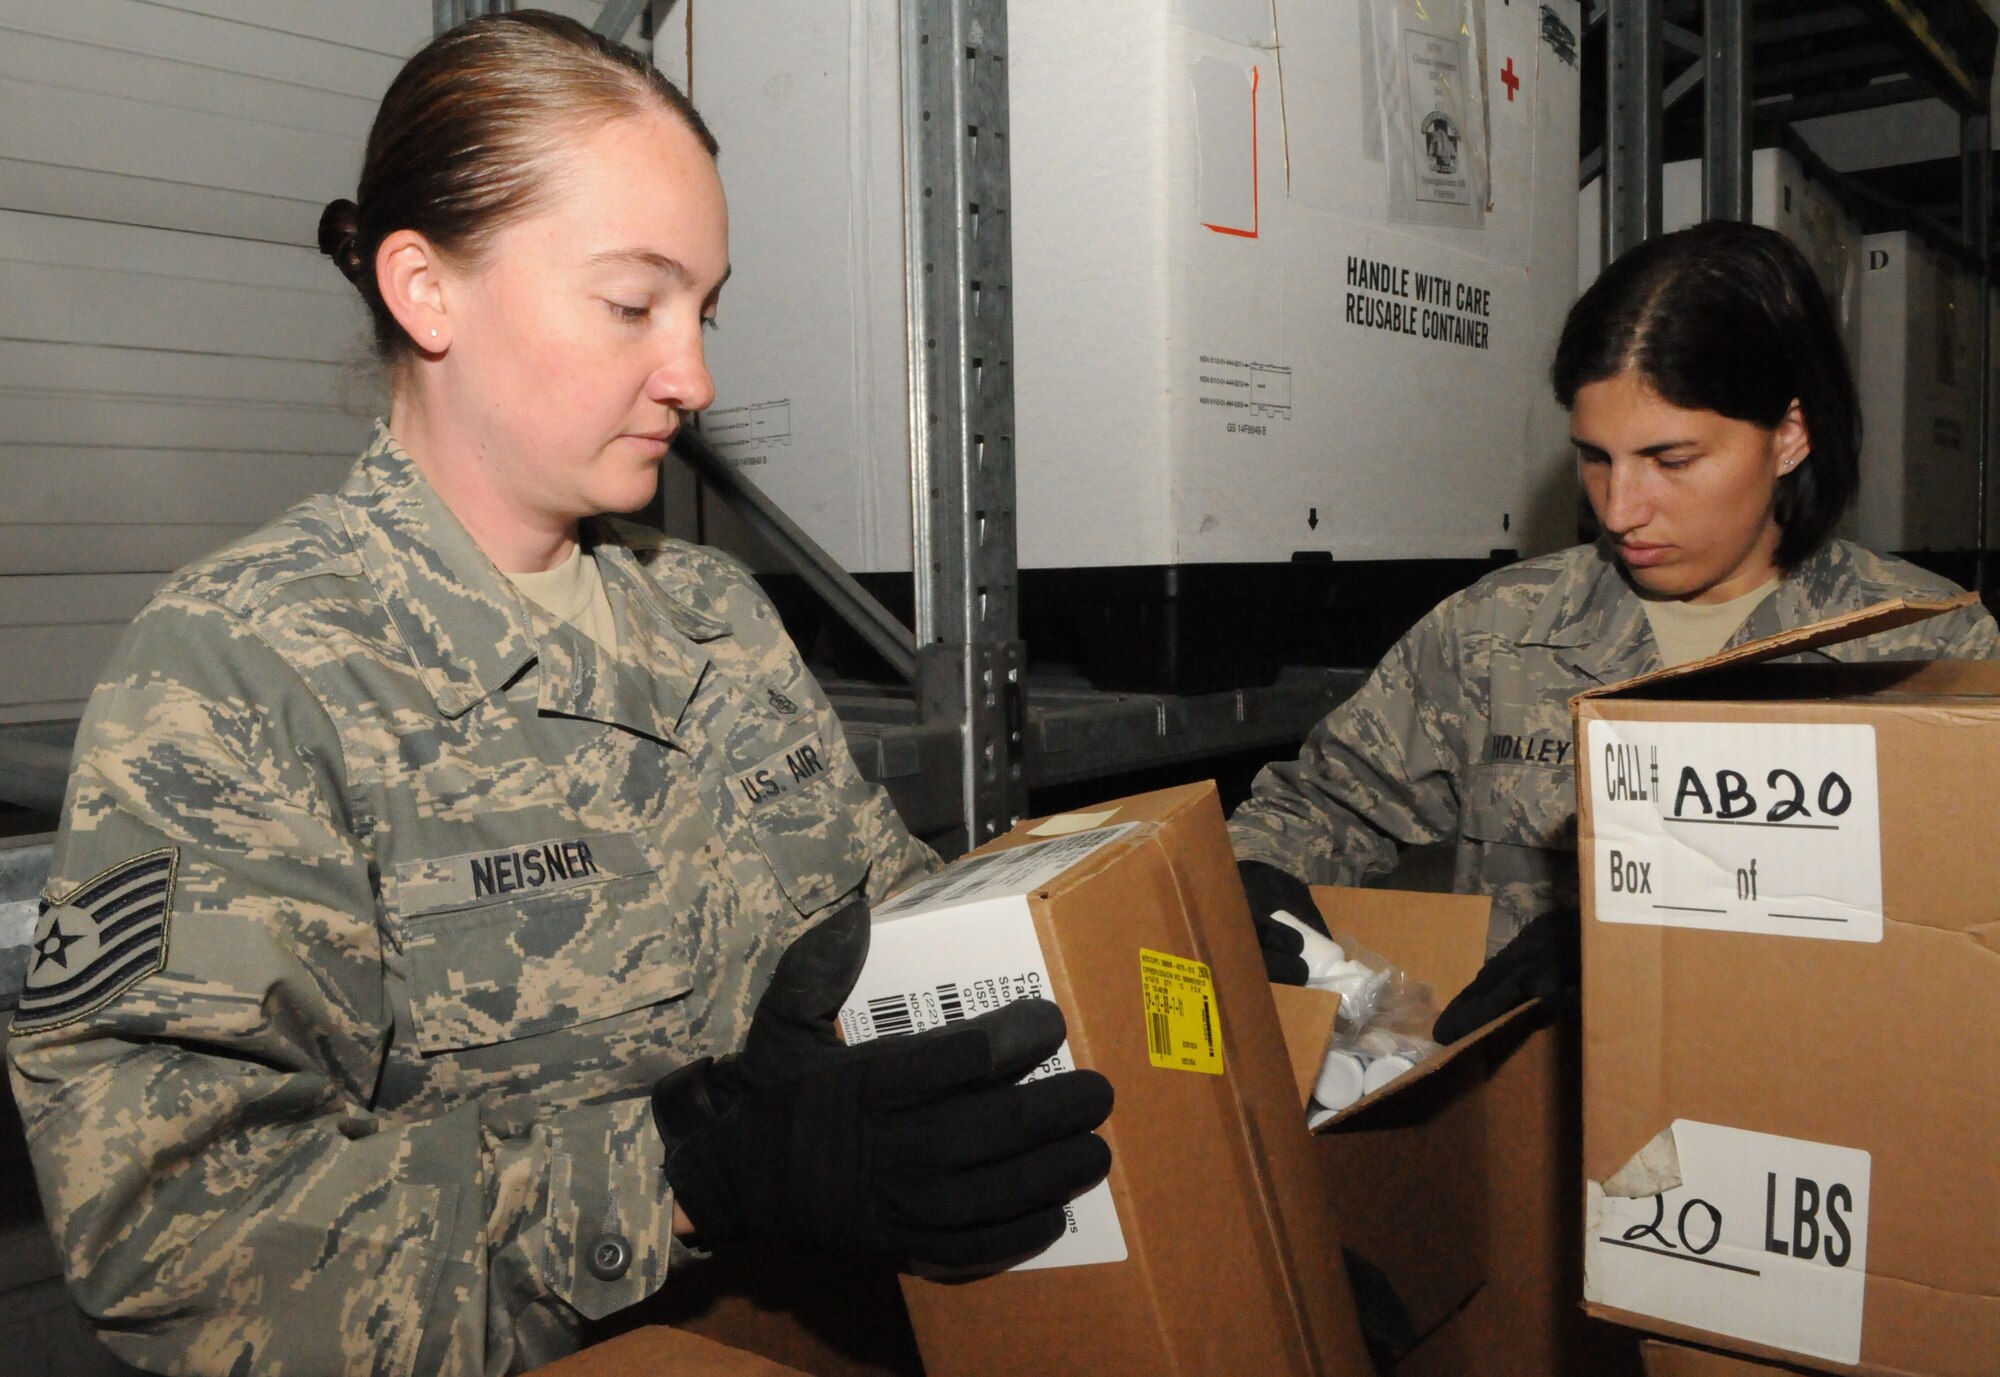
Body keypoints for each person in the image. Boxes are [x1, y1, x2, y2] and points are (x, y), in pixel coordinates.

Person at [5, 14, 1111, 1375]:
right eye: (633, 303)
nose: (693, 375)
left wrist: (1145, 923)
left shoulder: (715, 618)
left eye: (706, 310)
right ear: (426, 290)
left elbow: (894, 929)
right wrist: (688, 1176)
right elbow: (182, 1243)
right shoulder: (246, 672)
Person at [1233, 220, 1998, 1013]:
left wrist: (1645, 946)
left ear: (1791, 435)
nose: (1621, 510)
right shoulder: (1498, 632)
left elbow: (1964, 943)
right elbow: (1318, 802)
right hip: (1534, 1113)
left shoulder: (1927, 652)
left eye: (1672, 461)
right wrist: (1254, 876)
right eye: (1595, 458)